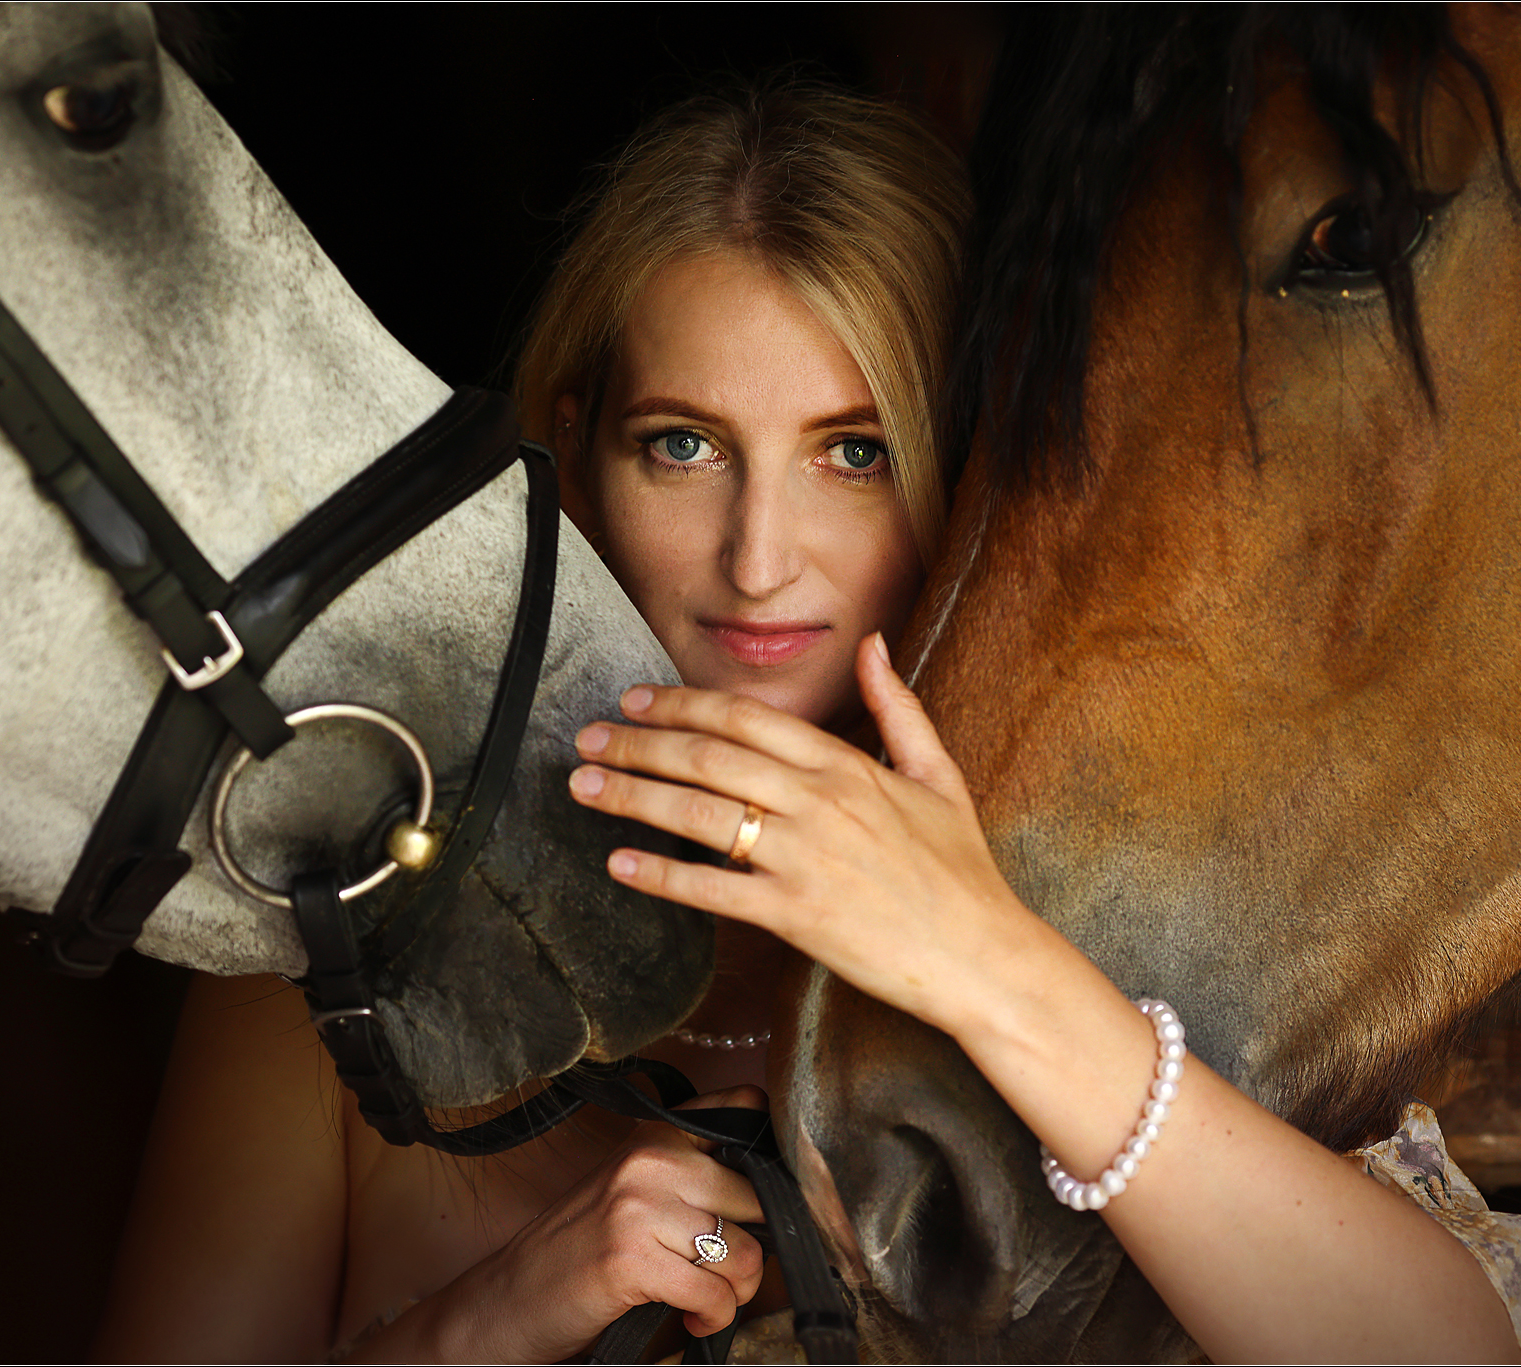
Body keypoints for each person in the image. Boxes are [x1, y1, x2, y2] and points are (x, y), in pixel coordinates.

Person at [93, 81, 967, 1364]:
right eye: (684, 445)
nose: (760, 559)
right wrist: (499, 1312)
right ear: (573, 450)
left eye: (855, 451)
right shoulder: (345, 918)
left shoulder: (1085, 944)